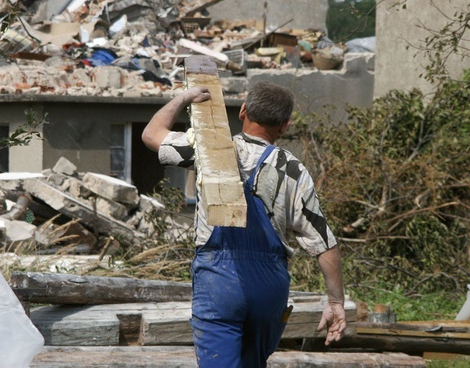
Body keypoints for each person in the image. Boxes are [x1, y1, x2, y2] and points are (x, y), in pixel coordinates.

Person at [142, 81, 346, 368]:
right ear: (285, 125)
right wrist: (336, 303)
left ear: (243, 111)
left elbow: (151, 135)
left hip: (219, 279)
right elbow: (325, 244)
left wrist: (184, 97)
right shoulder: (293, 169)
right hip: (270, 287)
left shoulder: (212, 149)